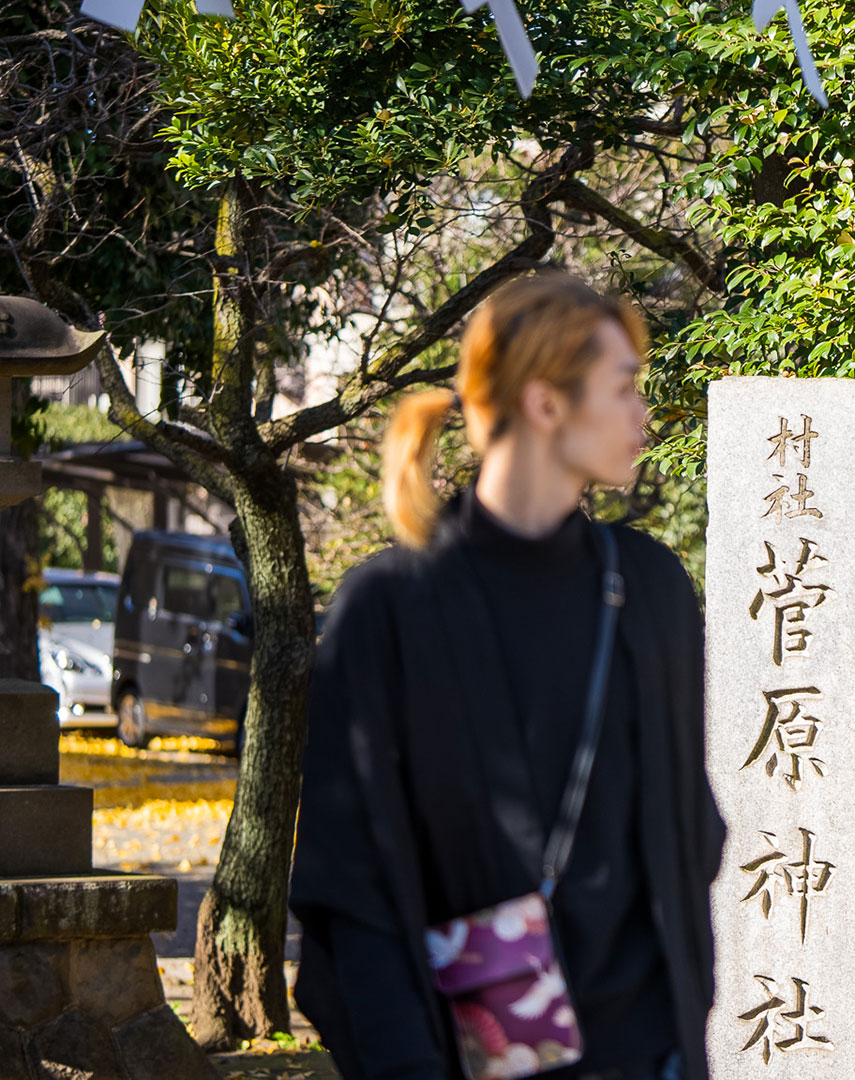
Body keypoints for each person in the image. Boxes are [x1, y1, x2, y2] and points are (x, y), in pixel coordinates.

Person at [290, 272, 722, 1080]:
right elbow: (350, 884)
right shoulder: (392, 605)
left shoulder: (651, 590)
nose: (644, 417)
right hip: (459, 1058)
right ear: (546, 402)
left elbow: (691, 831)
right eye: (624, 388)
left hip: (646, 1055)